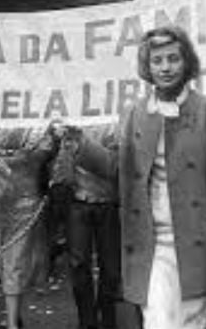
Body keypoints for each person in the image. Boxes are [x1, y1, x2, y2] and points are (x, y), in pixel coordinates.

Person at [62, 25, 206, 329]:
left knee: (195, 323)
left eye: (173, 58)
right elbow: (121, 172)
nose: (165, 67)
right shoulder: (134, 113)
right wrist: (82, 145)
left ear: (187, 62)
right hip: (151, 242)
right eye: (157, 61)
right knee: (158, 321)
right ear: (147, 66)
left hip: (198, 239)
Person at [0, 127, 54, 329]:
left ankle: (12, 323)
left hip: (23, 200)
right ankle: (13, 317)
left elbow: (45, 150)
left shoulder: (36, 124)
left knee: (16, 260)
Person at [62, 124, 121, 329]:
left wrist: (81, 142)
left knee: (112, 269)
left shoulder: (114, 120)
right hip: (77, 201)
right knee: (78, 267)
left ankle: (108, 320)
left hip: (108, 202)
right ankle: (87, 322)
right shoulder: (68, 117)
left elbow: (112, 166)